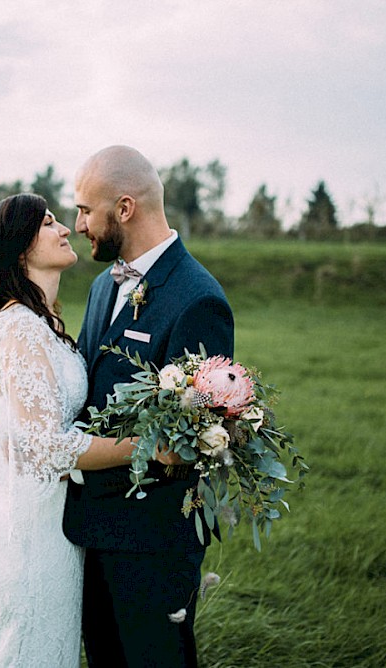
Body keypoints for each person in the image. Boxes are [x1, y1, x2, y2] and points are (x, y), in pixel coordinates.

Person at [0, 193, 175, 667]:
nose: (66, 229)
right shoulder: (20, 328)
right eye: (49, 222)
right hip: (35, 528)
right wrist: (146, 448)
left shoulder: (43, 321)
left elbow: (34, 423)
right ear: (20, 248)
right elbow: (45, 448)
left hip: (57, 518)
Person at [63, 146, 235, 667]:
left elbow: (197, 436)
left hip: (152, 544)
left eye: (85, 211)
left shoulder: (198, 299)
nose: (76, 225)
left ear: (124, 208)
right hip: (90, 528)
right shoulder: (100, 287)